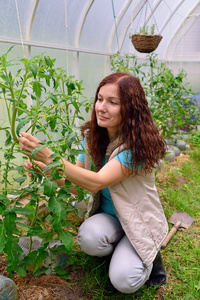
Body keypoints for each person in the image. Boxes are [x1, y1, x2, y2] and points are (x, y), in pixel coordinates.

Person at [19, 72, 168, 294]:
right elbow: (75, 183)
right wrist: (45, 169)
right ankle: (121, 249)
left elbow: (96, 182)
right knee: (88, 238)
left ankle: (151, 262)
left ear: (130, 109)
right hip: (111, 217)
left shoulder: (135, 147)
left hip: (139, 221)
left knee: (124, 281)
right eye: (100, 99)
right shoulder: (91, 137)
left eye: (112, 102)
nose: (101, 107)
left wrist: (50, 157)